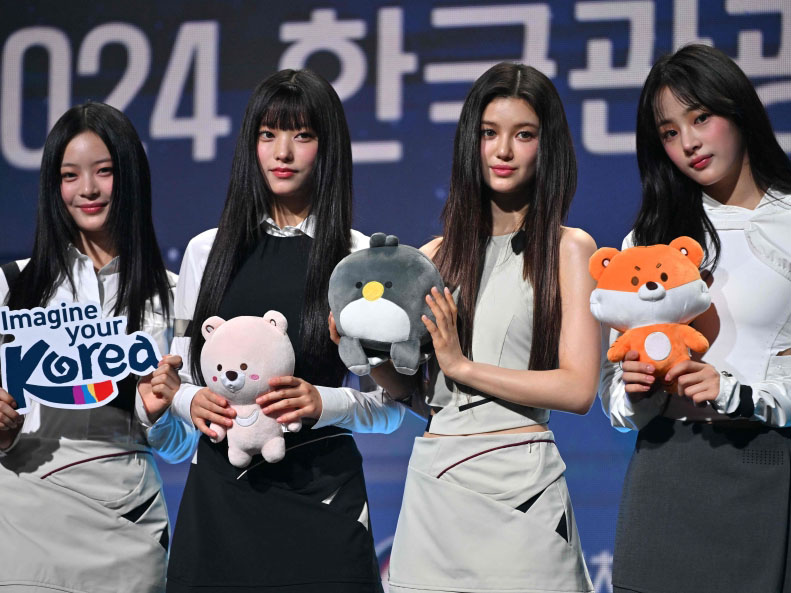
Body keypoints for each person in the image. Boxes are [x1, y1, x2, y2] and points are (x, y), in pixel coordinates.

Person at [165, 69, 405, 593]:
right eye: (268, 134)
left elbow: (391, 407)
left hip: (323, 496)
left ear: (328, 146)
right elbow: (177, 380)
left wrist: (323, 401)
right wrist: (190, 402)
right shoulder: (207, 252)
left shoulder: (358, 257)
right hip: (221, 498)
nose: (283, 152)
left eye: (303, 135)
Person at [385, 62, 600, 593]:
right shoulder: (433, 255)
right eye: (488, 133)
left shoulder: (570, 248)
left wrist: (462, 366)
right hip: (436, 486)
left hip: (521, 484)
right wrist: (365, 352)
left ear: (547, 146)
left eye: (523, 135)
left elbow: (577, 389)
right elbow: (416, 396)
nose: (503, 151)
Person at [600, 44, 791, 593]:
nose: (688, 142)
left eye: (701, 117)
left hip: (768, 469)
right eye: (669, 131)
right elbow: (612, 395)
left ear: (739, 111)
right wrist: (635, 390)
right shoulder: (648, 240)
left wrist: (738, 393)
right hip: (667, 472)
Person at [0, 102, 195, 593]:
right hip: (23, 516)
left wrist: (157, 414)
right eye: (70, 175)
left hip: (128, 524)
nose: (87, 189)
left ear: (130, 177)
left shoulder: (174, 296)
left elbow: (184, 446)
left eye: (104, 172)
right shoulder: (10, 287)